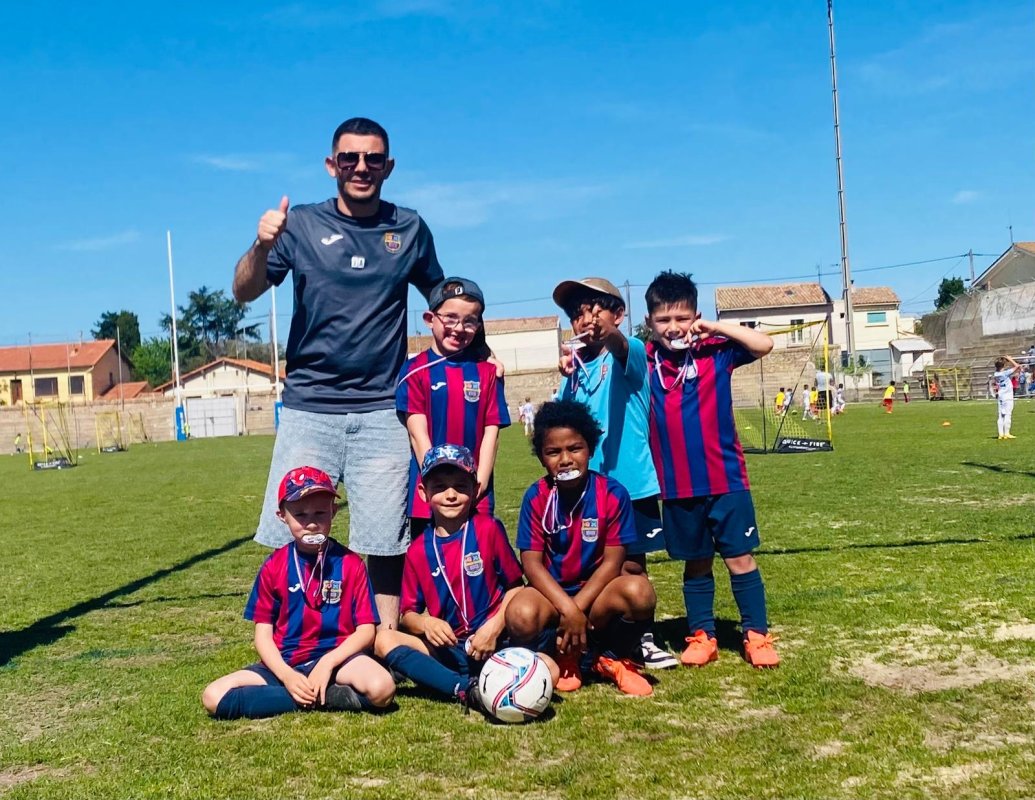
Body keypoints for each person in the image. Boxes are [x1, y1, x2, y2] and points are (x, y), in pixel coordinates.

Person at [232, 117, 445, 629]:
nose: (361, 167)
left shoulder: (410, 228)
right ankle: (294, 642)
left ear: (389, 166)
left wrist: (481, 352)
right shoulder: (301, 224)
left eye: (373, 159)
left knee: (385, 541)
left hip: (383, 410)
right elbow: (243, 291)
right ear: (332, 165)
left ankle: (385, 644)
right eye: (350, 158)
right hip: (309, 408)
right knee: (295, 534)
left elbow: (443, 300)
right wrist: (261, 246)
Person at [642, 271, 779, 669]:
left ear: (696, 317)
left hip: (726, 479)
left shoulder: (716, 351)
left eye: (682, 318)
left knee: (740, 558)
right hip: (677, 486)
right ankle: (703, 635)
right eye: (663, 320)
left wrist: (716, 327)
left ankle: (756, 635)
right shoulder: (645, 361)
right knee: (696, 562)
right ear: (650, 322)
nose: (673, 327)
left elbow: (765, 344)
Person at [374, 444, 558, 711]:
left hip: (495, 644)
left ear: (475, 489)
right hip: (451, 648)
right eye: (440, 487)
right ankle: (464, 689)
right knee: (384, 640)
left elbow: (516, 587)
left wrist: (492, 629)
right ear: (423, 492)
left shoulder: (488, 529)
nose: (451, 495)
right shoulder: (417, 550)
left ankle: (473, 679)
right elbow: (407, 615)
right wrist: (426, 624)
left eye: (460, 486)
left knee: (550, 670)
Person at [202, 467, 395, 719]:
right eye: (300, 515)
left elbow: (366, 631)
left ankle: (318, 690)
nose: (311, 523)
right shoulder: (274, 566)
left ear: (334, 511)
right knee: (213, 696)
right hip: (286, 663)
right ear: (282, 516)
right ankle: (316, 696)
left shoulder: (351, 563)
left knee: (382, 689)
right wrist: (287, 676)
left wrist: (327, 663)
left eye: (320, 513)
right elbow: (263, 636)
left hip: (339, 661)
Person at [553, 277, 676, 670]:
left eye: (595, 310)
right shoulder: (572, 372)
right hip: (586, 491)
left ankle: (642, 639)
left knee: (631, 566)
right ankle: (596, 638)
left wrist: (609, 334)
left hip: (632, 485)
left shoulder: (632, 351)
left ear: (618, 314)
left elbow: (620, 346)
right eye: (576, 314)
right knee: (592, 564)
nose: (585, 319)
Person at [506, 400, 658, 696]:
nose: (565, 459)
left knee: (640, 592)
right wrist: (567, 609)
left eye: (574, 448)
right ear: (541, 458)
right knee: (520, 613)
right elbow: (532, 565)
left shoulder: (612, 494)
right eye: (553, 452)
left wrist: (576, 610)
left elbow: (613, 563)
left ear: (590, 449)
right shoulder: (536, 497)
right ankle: (560, 656)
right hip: (552, 595)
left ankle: (612, 658)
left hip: (597, 593)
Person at [395, 277, 509, 536]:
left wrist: (478, 483)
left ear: (478, 325)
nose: (459, 328)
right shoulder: (414, 371)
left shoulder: (488, 372)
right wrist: (435, 484)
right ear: (429, 319)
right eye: (450, 318)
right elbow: (418, 435)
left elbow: (492, 433)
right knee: (429, 556)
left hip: (474, 492)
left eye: (469, 321)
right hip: (430, 495)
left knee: (476, 555)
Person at [993, 356, 1020, 440]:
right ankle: (1007, 433)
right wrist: (1010, 359)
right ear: (1004, 365)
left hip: (1001, 395)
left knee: (1000, 415)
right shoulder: (1005, 373)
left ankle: (1000, 434)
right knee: (1008, 414)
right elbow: (1017, 366)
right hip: (1007, 396)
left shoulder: (996, 374)